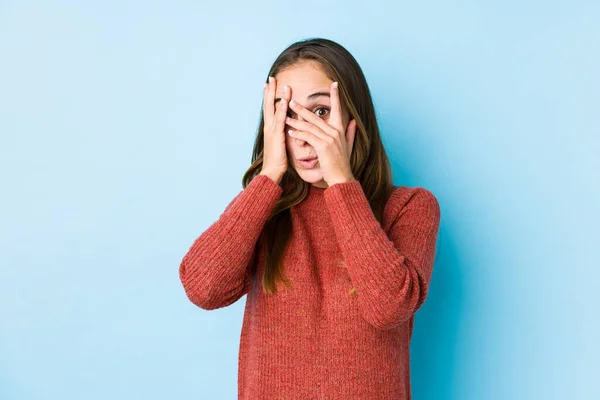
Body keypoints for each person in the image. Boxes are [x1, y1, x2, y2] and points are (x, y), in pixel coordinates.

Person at [179, 37, 441, 400]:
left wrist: (341, 182)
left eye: (319, 112)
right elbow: (203, 288)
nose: (303, 136)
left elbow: (388, 307)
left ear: (353, 116)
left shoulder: (409, 207)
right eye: (286, 114)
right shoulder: (265, 210)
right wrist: (268, 175)